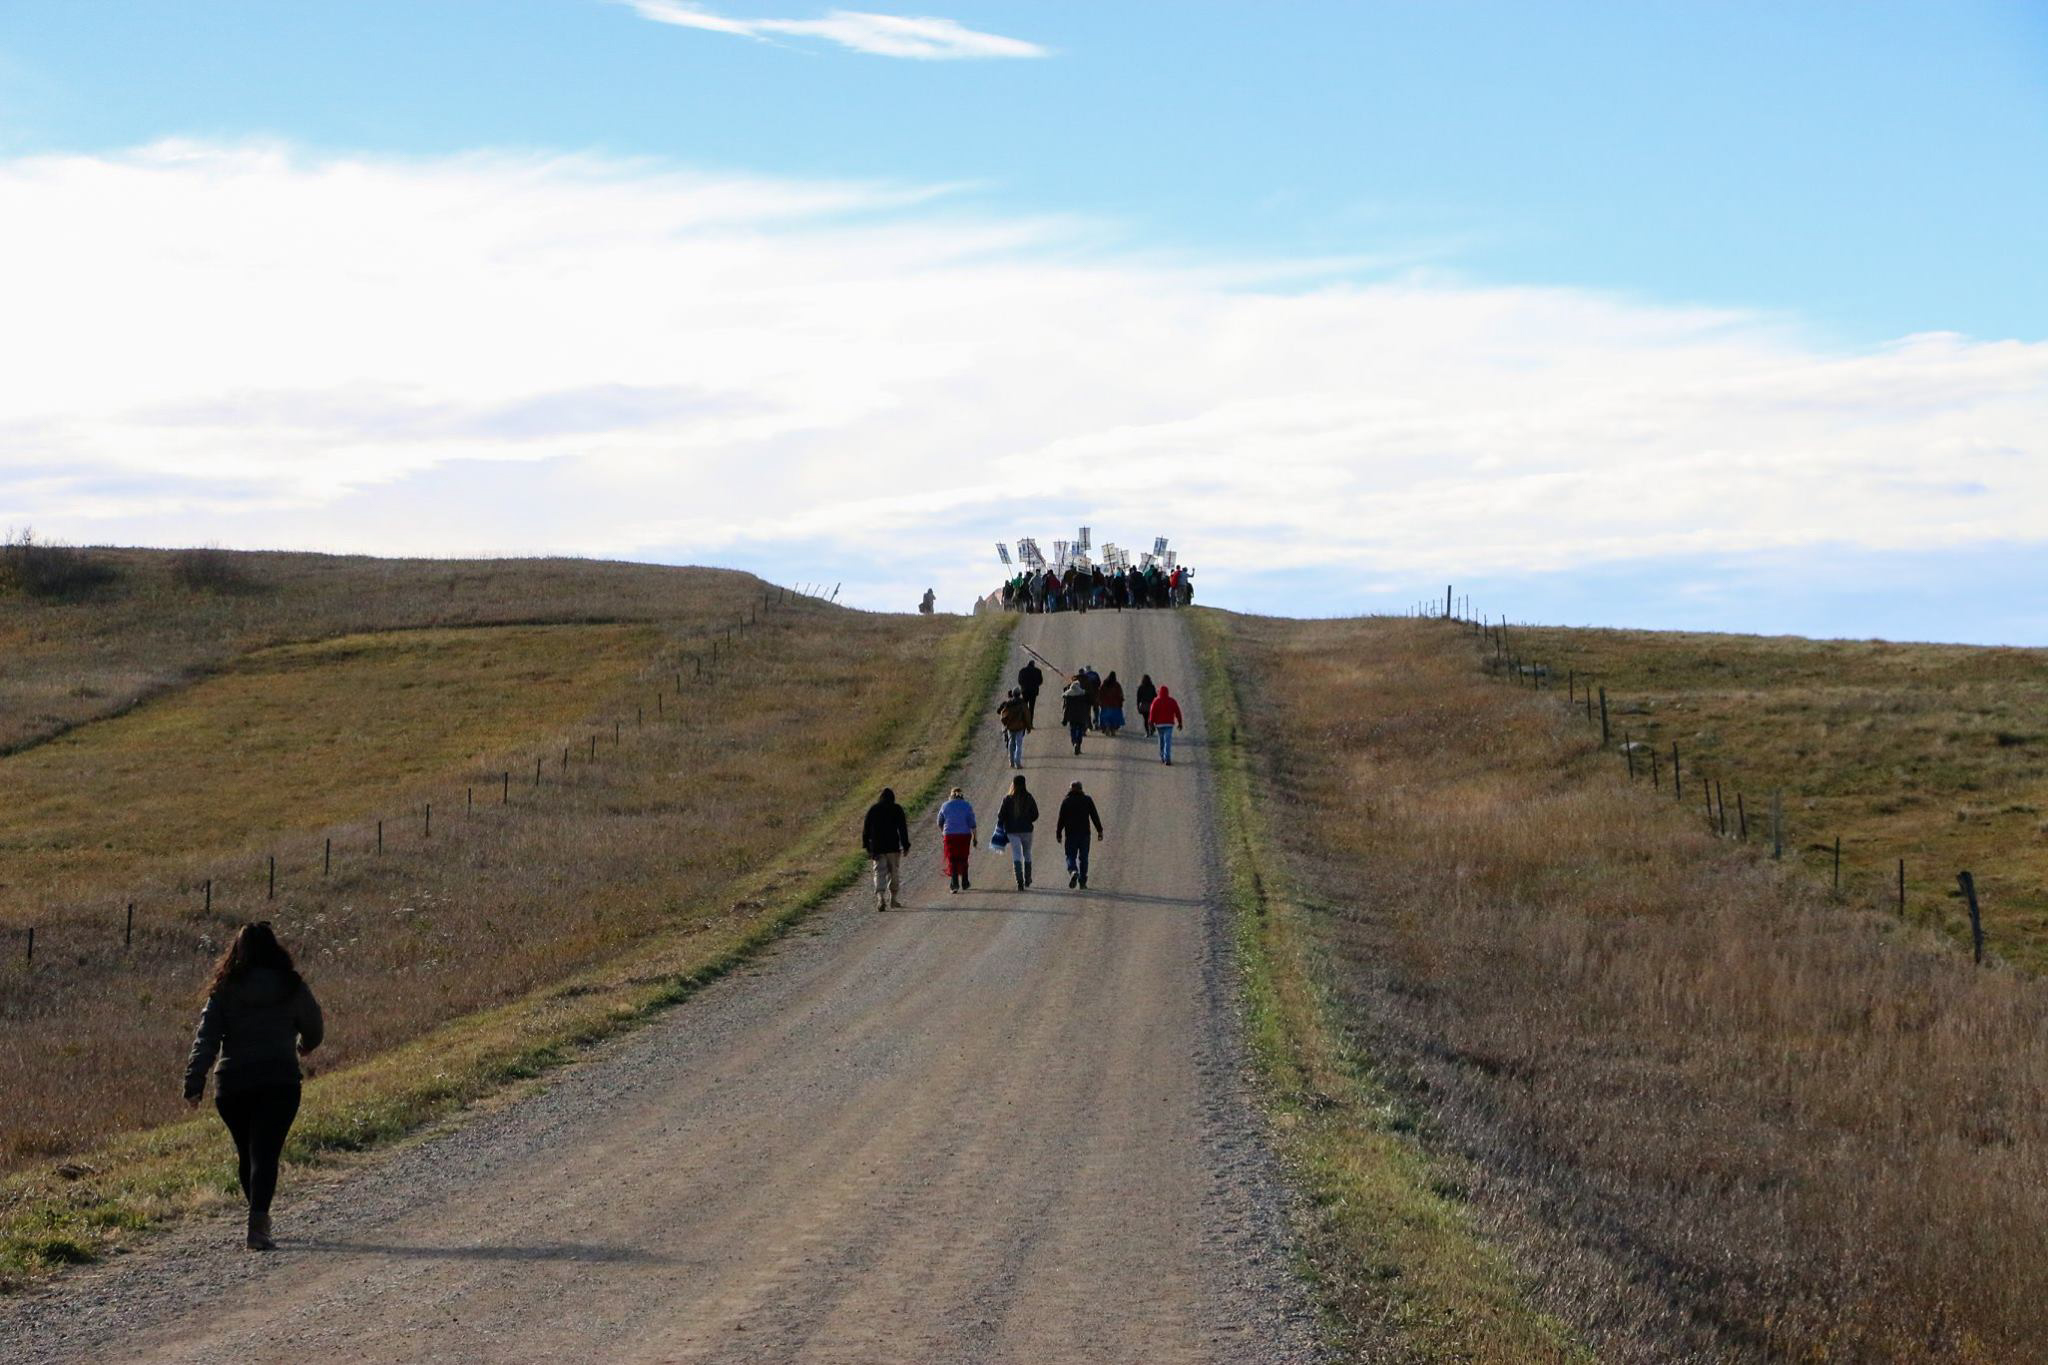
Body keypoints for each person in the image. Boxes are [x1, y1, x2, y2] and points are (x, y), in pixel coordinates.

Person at [182, 922, 323, 1251]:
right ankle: (258, 1224)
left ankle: (258, 1217)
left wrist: (194, 1082)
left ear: (237, 950)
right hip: (279, 1081)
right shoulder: (291, 985)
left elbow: (206, 1040)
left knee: (248, 1154)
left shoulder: (224, 989)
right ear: (275, 948)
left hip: (232, 1084)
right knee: (266, 1152)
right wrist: (306, 1044)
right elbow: (314, 1023)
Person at [862, 786, 911, 910]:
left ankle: (880, 898)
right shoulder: (896, 809)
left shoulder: (873, 809)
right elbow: (902, 829)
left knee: (879, 873)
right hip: (893, 847)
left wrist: (867, 847)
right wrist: (905, 845)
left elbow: (866, 830)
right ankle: (893, 900)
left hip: (877, 848)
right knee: (893, 872)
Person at [1055, 781, 1104, 889]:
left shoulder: (1066, 801)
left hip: (1071, 834)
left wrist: (1058, 833)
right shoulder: (1087, 800)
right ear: (1081, 789)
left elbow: (1061, 819)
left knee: (1070, 856)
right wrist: (1100, 830)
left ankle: (1073, 871)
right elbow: (1094, 816)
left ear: (1070, 789)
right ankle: (1082, 881)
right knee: (1084, 857)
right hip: (1085, 834)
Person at [996, 774, 1039, 890]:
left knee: (1016, 854)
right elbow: (1036, 814)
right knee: (1027, 853)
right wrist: (1028, 819)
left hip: (1012, 830)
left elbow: (1000, 815)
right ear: (1024, 784)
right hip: (1027, 830)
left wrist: (1004, 824)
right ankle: (1028, 878)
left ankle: (1019, 880)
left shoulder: (1007, 799)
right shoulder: (1029, 797)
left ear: (1013, 784)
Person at [936, 785, 978, 892]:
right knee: (963, 858)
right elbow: (972, 824)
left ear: (951, 795)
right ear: (961, 795)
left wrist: (943, 832)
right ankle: (965, 882)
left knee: (952, 859)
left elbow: (939, 822)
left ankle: (954, 884)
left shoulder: (945, 805)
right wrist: (975, 838)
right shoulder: (967, 805)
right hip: (964, 835)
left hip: (949, 835)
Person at [1148, 684, 1184, 764]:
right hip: (1169, 725)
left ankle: (1162, 756)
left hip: (1159, 725)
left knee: (1161, 741)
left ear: (1159, 692)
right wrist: (1180, 722)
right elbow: (1178, 712)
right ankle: (1167, 757)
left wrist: (1151, 723)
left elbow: (1152, 713)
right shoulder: (1172, 701)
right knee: (1168, 741)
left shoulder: (1156, 701)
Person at [997, 687, 1030, 767]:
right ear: (1019, 694)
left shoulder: (1008, 704)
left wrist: (1006, 724)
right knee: (1019, 745)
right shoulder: (1023, 703)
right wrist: (1028, 726)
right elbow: (1027, 716)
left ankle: (1011, 762)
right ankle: (1017, 763)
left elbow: (1002, 716)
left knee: (1011, 744)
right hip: (1020, 727)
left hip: (1010, 727)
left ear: (1012, 694)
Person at [1060, 677, 1091, 755]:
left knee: (1073, 730)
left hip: (1072, 717)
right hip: (1081, 717)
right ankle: (1078, 744)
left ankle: (1074, 743)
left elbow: (1066, 710)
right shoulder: (1083, 697)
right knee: (1080, 731)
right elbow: (1087, 706)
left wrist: (1064, 720)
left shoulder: (1069, 698)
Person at [1017, 657, 1044, 729]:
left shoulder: (1022, 671)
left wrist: (1024, 686)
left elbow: (1019, 681)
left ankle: (1023, 723)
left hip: (1025, 691)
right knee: (1031, 708)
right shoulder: (1038, 671)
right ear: (1033, 664)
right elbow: (1040, 681)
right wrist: (1035, 685)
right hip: (1033, 692)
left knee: (1024, 707)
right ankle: (1030, 724)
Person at [1097, 671, 1126, 735]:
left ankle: (1107, 727)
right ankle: (1112, 730)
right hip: (1115, 705)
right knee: (1114, 719)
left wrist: (1100, 701)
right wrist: (1121, 701)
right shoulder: (1116, 685)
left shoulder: (1104, 684)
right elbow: (1120, 694)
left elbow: (1100, 693)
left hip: (1105, 705)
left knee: (1106, 718)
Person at [1080, 664, 1102, 729]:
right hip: (1095, 695)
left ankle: (1089, 725)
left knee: (1087, 711)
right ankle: (1096, 723)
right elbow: (1099, 683)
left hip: (1087, 696)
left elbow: (1081, 686)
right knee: (1096, 709)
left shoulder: (1084, 676)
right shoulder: (1095, 674)